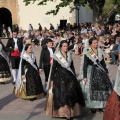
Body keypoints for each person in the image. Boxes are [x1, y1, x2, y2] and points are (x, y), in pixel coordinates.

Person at [45, 40, 85, 120]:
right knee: (62, 94)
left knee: (71, 93)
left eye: (67, 46)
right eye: (64, 46)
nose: (66, 48)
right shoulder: (56, 56)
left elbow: (72, 66)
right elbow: (53, 68)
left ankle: (72, 111)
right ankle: (65, 113)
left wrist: (74, 75)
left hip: (70, 76)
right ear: (60, 47)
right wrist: (52, 80)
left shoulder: (69, 54)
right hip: (60, 77)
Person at [79, 37, 112, 113]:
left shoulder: (100, 50)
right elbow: (85, 64)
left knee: (101, 88)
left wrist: (107, 71)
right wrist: (84, 76)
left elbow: (102, 63)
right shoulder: (88, 51)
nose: (96, 44)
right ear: (90, 44)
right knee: (92, 89)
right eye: (94, 43)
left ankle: (100, 105)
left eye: (96, 42)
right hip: (91, 71)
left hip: (100, 71)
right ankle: (93, 106)